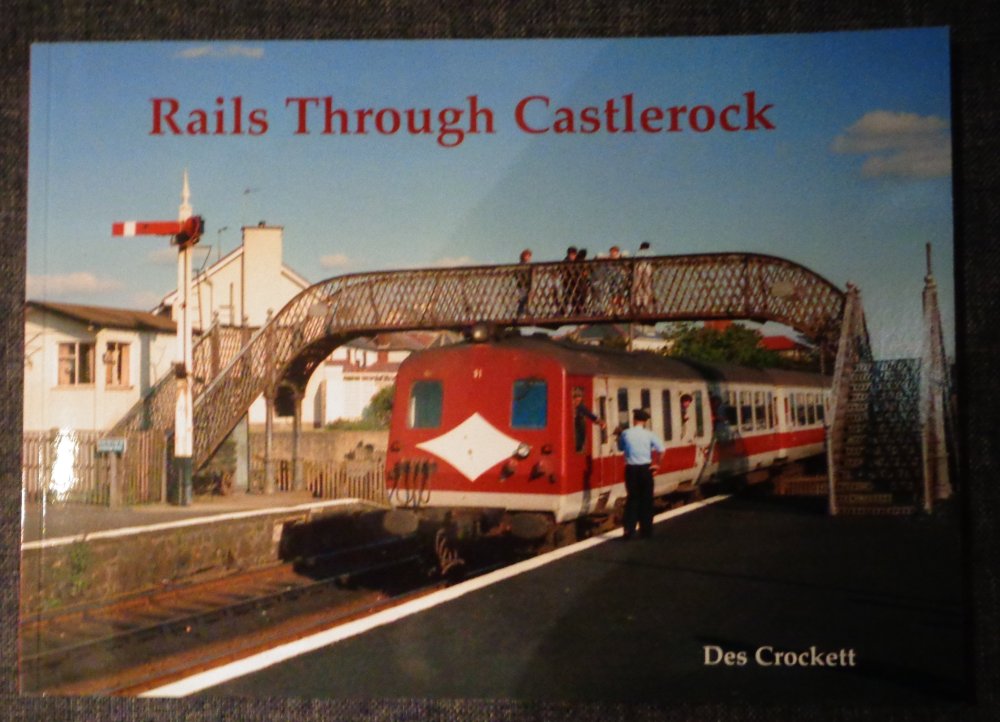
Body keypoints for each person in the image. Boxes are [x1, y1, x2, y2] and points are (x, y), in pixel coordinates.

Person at [615, 408, 666, 539]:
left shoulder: (626, 433)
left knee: (632, 499)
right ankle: (646, 530)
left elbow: (620, 448)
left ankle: (629, 530)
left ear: (634, 420)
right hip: (645, 469)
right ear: (645, 421)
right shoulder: (649, 434)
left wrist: (618, 437)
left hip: (631, 470)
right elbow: (662, 450)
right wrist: (657, 464)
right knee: (646, 499)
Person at [572, 386, 606, 452]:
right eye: (575, 400)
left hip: (578, 431)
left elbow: (590, 414)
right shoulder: (568, 406)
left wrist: (600, 422)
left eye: (579, 400)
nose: (577, 402)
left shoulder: (581, 407)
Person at [632, 241, 654, 311]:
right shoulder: (650, 252)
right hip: (647, 267)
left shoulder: (637, 252)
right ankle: (645, 302)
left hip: (638, 267)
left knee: (638, 285)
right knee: (647, 285)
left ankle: (638, 302)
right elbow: (654, 260)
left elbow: (634, 259)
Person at [516, 248, 533, 318]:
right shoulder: (520, 265)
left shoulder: (529, 265)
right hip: (522, 285)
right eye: (527, 256)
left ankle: (525, 312)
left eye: (529, 256)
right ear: (523, 256)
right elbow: (517, 275)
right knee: (523, 298)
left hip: (528, 285)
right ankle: (521, 313)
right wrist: (521, 281)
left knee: (527, 299)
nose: (528, 258)